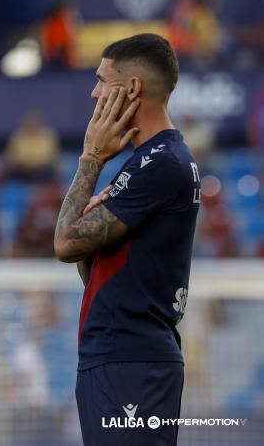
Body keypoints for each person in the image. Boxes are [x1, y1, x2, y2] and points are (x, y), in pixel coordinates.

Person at [54, 33, 201, 445]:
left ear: (132, 88)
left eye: (102, 79)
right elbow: (92, 267)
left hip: (131, 361)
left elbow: (65, 243)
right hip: (122, 358)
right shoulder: (148, 162)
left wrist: (91, 157)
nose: (94, 91)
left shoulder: (159, 164)